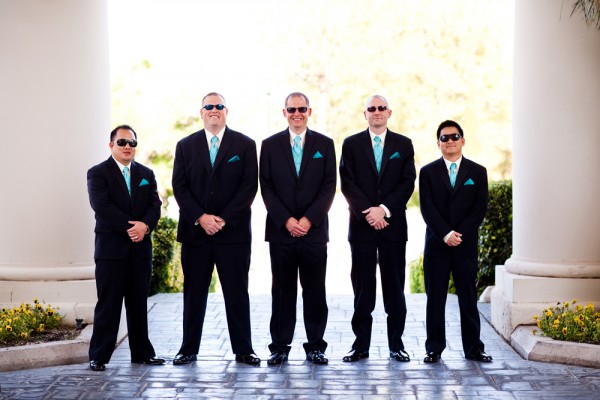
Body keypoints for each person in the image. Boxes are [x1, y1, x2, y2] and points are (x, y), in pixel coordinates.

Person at [171, 92, 260, 365]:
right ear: (201, 112)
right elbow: (179, 186)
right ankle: (188, 349)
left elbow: (249, 186)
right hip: (196, 233)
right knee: (194, 294)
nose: (214, 110)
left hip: (232, 233)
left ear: (226, 111)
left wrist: (222, 219)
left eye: (219, 106)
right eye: (208, 106)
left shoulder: (245, 145)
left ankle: (244, 350)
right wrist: (201, 217)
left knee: (236, 293)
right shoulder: (185, 146)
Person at [259, 92, 336, 365]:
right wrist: (286, 220)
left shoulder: (325, 144)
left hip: (314, 232)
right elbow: (266, 186)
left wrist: (308, 219)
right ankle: (279, 347)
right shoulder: (269, 145)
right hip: (281, 232)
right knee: (282, 292)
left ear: (309, 112)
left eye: (301, 109)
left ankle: (315, 346)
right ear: (284, 113)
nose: (297, 114)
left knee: (315, 291)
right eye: (291, 109)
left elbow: (329, 185)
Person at [339, 95, 416, 362]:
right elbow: (347, 183)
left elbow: (407, 182)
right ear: (365, 114)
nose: (376, 112)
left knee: (394, 288)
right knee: (363, 289)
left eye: (381, 108)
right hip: (362, 227)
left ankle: (397, 345)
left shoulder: (403, 144)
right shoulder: (351, 144)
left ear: (389, 112)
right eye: (371, 109)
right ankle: (360, 346)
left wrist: (383, 209)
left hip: (393, 227)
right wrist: (370, 213)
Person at [87, 125, 164, 371]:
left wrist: (145, 226)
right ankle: (99, 356)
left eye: (132, 143)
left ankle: (142, 353)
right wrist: (131, 228)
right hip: (111, 251)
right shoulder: (98, 173)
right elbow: (102, 206)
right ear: (111, 145)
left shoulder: (146, 173)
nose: (127, 147)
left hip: (140, 250)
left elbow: (155, 205)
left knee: (138, 303)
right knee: (108, 304)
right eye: (122, 142)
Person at [418, 120, 492, 363]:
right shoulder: (427, 172)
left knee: (468, 298)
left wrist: (459, 234)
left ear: (463, 140)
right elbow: (427, 207)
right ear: (438, 143)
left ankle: (474, 349)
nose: (450, 141)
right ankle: (433, 348)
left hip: (465, 245)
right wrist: (445, 234)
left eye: (454, 136)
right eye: (444, 138)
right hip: (437, 245)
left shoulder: (477, 172)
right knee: (435, 299)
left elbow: (479, 208)